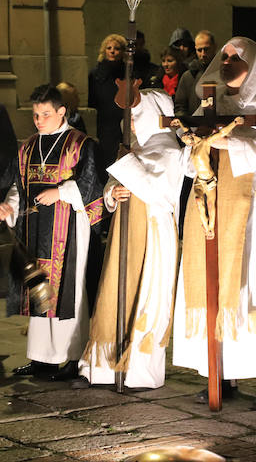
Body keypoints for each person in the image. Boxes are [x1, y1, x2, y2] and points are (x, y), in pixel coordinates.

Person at [170, 37, 256, 409]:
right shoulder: (213, 102)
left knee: (255, 288)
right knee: (218, 285)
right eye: (223, 56)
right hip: (216, 203)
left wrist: (233, 143)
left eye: (235, 57)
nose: (226, 61)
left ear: (253, 63)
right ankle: (221, 372)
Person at [0, 85, 105, 381]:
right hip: (34, 228)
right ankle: (41, 357)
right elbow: (19, 187)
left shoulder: (81, 144)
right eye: (36, 115)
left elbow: (92, 184)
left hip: (68, 227)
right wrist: (9, 207)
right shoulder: (27, 147)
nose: (39, 120)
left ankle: (71, 356)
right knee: (38, 289)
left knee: (68, 290)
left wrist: (62, 191)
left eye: (45, 114)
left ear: (61, 111)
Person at [79, 90, 183, 388]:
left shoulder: (170, 151)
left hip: (153, 230)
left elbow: (160, 195)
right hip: (125, 229)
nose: (133, 124)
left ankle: (138, 369)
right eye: (131, 118)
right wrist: (113, 193)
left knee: (147, 294)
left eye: (138, 116)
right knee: (116, 288)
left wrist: (128, 171)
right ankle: (104, 366)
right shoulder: (134, 148)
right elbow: (114, 183)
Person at [89, 34, 162, 177]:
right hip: (105, 122)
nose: (112, 51)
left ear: (122, 52)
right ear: (104, 50)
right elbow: (93, 101)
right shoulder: (95, 74)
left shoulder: (129, 72)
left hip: (125, 118)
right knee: (107, 157)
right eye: (109, 48)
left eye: (116, 48)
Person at [174, 30, 217, 116]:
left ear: (214, 47)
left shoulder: (224, 73)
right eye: (199, 50)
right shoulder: (188, 76)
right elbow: (180, 107)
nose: (203, 54)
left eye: (206, 49)